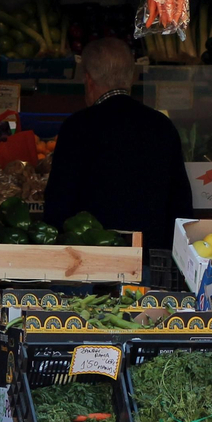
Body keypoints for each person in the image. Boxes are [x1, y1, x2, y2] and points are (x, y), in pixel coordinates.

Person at [43, 37, 194, 258]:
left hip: (90, 260)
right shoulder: (161, 126)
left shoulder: (77, 127)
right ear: (132, 77)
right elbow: (181, 203)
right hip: (151, 259)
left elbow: (58, 202)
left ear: (88, 80)